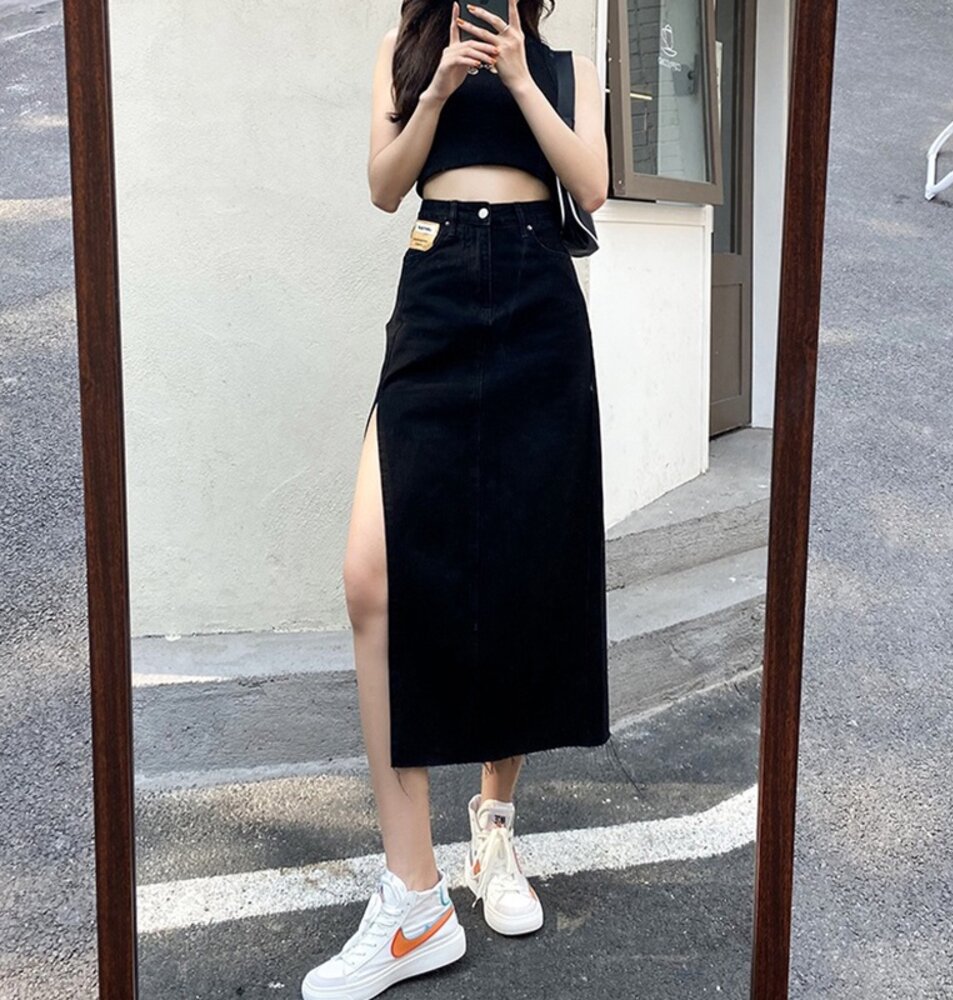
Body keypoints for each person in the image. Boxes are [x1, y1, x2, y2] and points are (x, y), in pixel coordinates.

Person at [302, 2, 609, 997]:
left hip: (536, 297)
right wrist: (435, 90)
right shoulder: (402, 51)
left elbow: (592, 186)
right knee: (370, 577)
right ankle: (413, 895)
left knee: (514, 572)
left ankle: (494, 830)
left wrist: (518, 76)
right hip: (436, 290)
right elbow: (383, 186)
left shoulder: (565, 64)